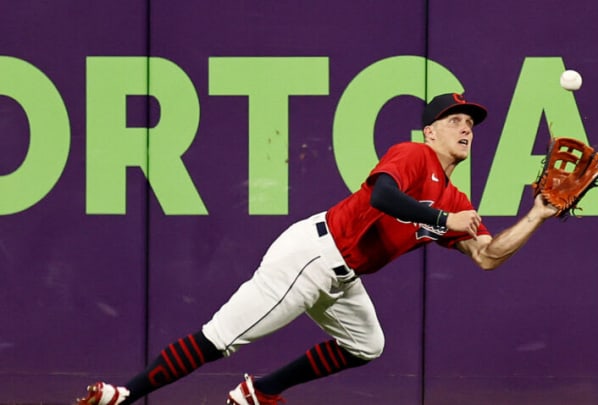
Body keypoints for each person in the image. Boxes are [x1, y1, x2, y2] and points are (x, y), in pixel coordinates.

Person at [76, 93, 558, 405]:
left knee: (367, 345)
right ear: (431, 131)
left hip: (342, 275)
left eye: (470, 123)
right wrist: (440, 220)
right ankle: (123, 393)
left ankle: (258, 391)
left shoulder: (454, 197)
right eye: (455, 120)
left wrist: (536, 214)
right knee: (219, 339)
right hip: (311, 255)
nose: (466, 128)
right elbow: (382, 197)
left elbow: (488, 255)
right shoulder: (415, 155)